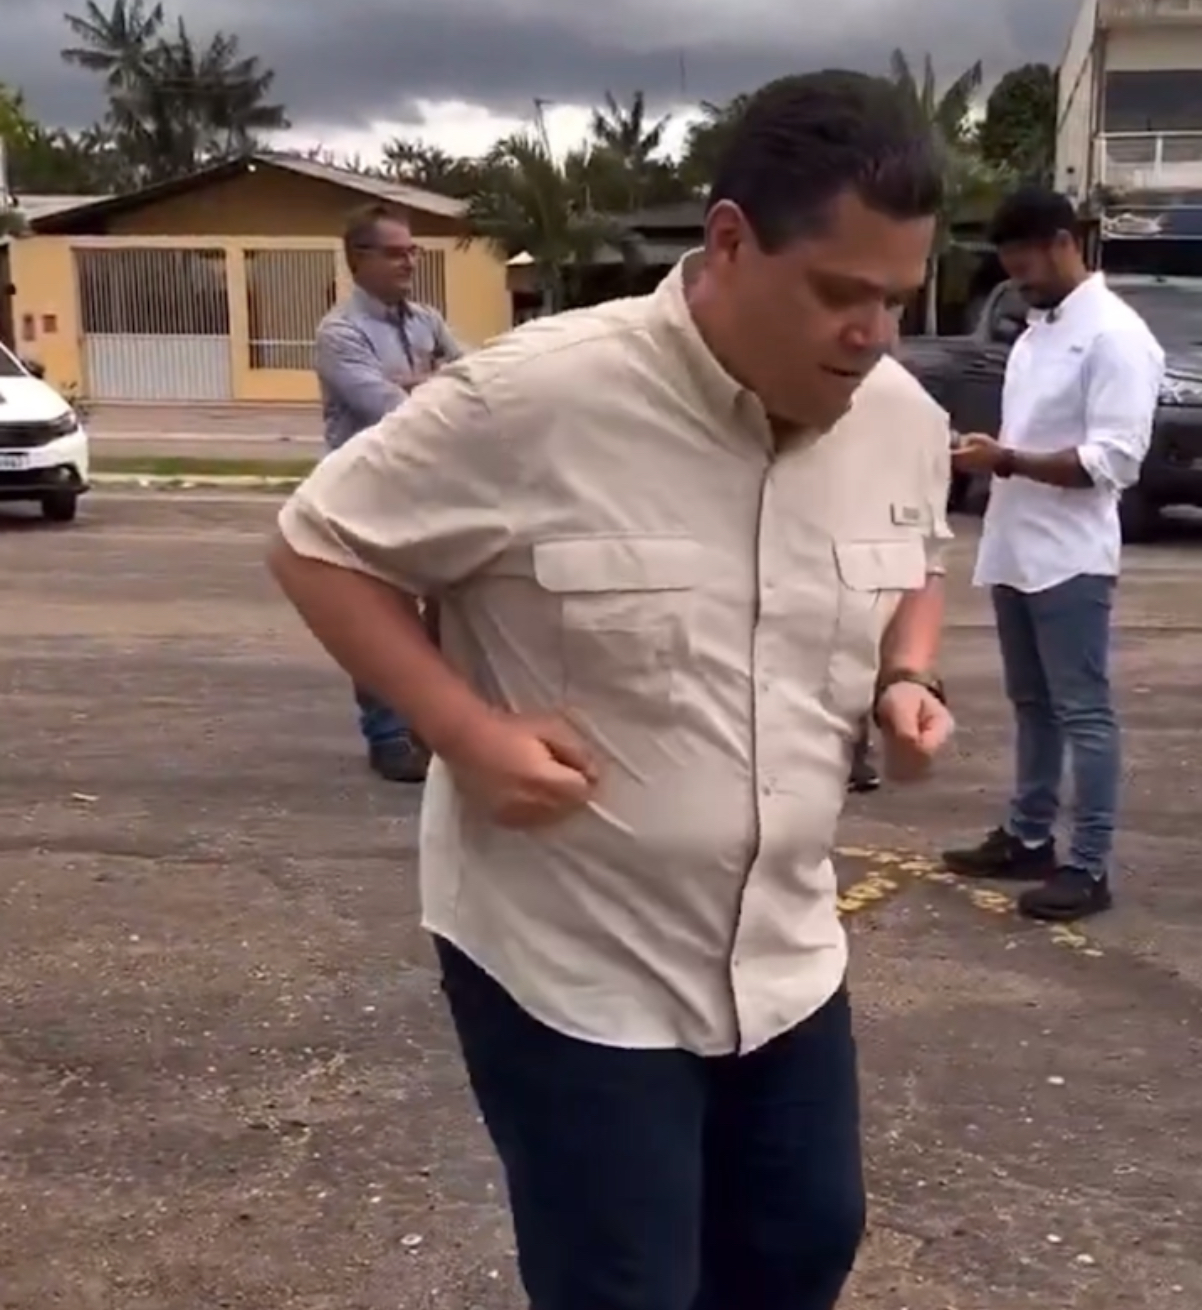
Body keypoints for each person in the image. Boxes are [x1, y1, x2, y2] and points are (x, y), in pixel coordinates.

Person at [269, 70, 955, 1310]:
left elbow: (919, 560)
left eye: (896, 301)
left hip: (785, 949)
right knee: (627, 1281)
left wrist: (908, 671)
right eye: (839, 293)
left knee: (802, 1245)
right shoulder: (535, 398)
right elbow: (318, 542)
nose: (872, 335)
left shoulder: (897, 415)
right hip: (573, 960)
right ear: (730, 241)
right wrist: (464, 730)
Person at [943, 187, 1163, 923]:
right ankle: (1029, 836)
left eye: (1026, 264)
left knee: (1083, 712)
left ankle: (1088, 865)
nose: (1018, 281)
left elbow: (1113, 462)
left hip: (1071, 558)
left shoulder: (1117, 337)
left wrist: (1005, 460)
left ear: (1065, 243)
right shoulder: (1038, 333)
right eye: (1009, 266)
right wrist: (991, 456)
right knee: (1031, 705)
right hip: (1015, 547)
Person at [315, 202, 464, 783]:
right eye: (396, 253)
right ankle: (389, 735)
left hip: (428, 483)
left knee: (449, 605)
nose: (409, 262)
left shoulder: (426, 320)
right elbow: (388, 409)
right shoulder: (340, 333)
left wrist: (419, 381)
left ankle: (432, 724)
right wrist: (432, 382)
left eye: (412, 251)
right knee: (381, 613)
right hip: (367, 489)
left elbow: (474, 380)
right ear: (359, 258)